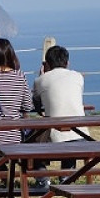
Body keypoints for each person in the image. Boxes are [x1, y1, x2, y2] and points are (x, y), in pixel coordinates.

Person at [31, 45, 88, 187]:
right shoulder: (78, 77)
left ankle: (43, 179)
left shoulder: (41, 80)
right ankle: (66, 176)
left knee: (28, 145)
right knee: (69, 132)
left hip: (57, 139)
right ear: (67, 63)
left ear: (47, 64)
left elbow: (36, 103)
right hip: (82, 137)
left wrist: (42, 75)